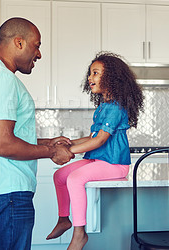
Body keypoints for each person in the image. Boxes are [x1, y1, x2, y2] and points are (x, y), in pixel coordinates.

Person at [0, 17, 75, 250]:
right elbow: (3, 145)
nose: (39, 54)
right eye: (36, 45)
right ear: (18, 42)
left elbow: (4, 136)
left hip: (3, 188)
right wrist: (51, 152)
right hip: (7, 189)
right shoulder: (1, 79)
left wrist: (48, 142)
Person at [46, 52, 144, 249]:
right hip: (99, 160)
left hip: (114, 164)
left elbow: (100, 140)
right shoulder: (103, 106)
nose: (90, 78)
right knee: (60, 176)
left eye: (95, 73)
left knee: (75, 179)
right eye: (90, 74)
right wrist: (67, 143)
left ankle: (79, 233)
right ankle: (64, 218)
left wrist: (70, 151)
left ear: (111, 78)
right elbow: (92, 137)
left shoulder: (116, 107)